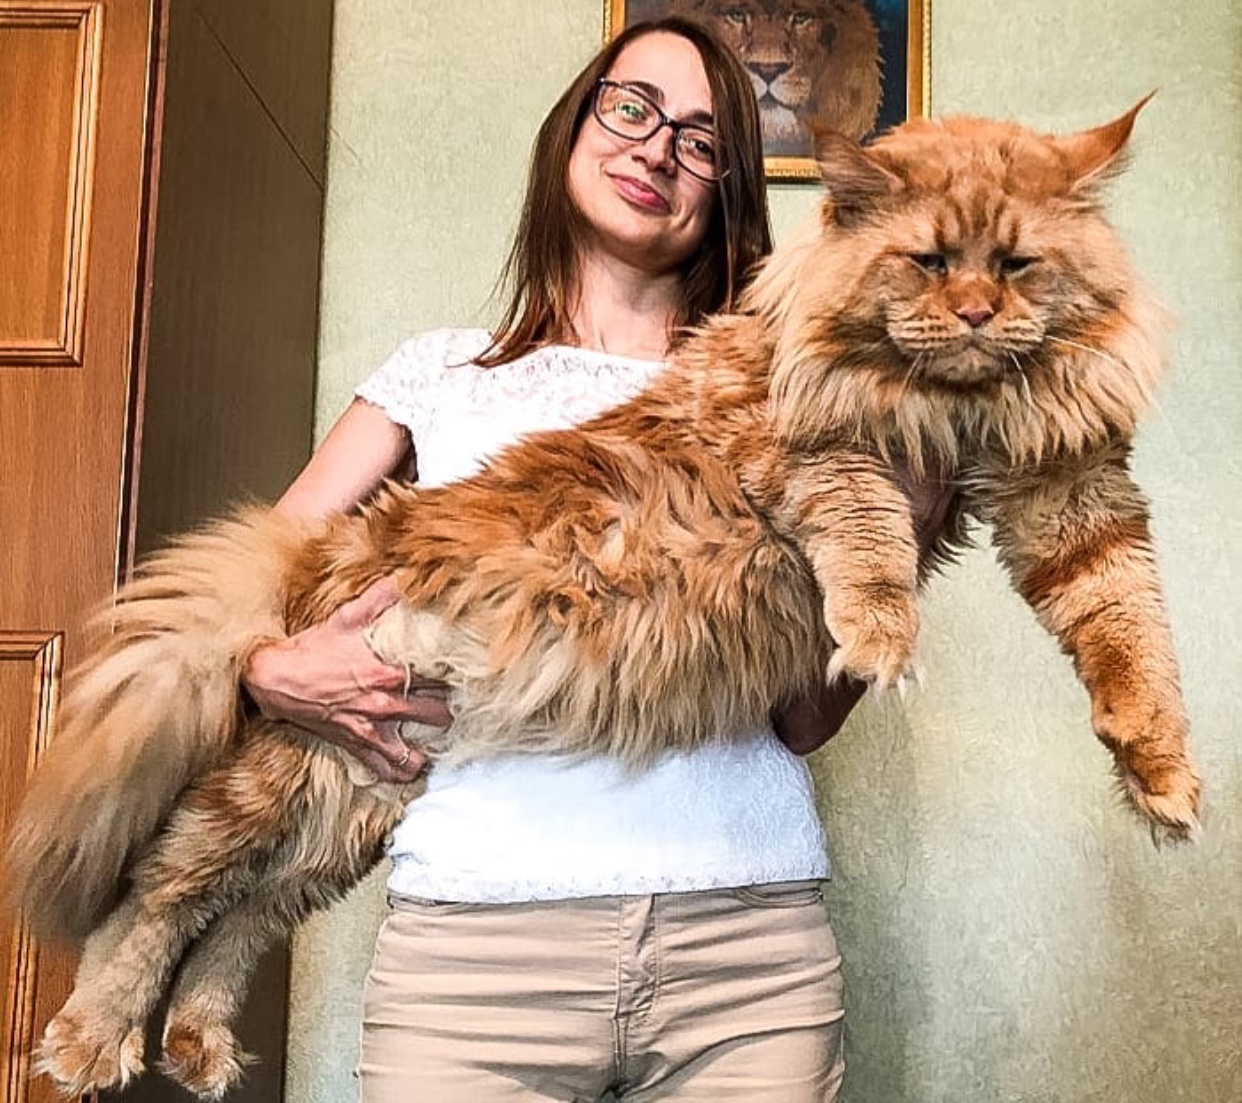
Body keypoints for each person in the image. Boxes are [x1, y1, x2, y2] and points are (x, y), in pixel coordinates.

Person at [242, 16, 912, 1101]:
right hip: (472, 954)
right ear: (575, 127)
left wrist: (895, 536)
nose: (656, 149)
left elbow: (799, 718)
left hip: (745, 950)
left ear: (729, 189)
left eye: (701, 140)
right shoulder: (440, 373)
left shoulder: (782, 398)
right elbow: (248, 583)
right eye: (632, 107)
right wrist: (266, 670)